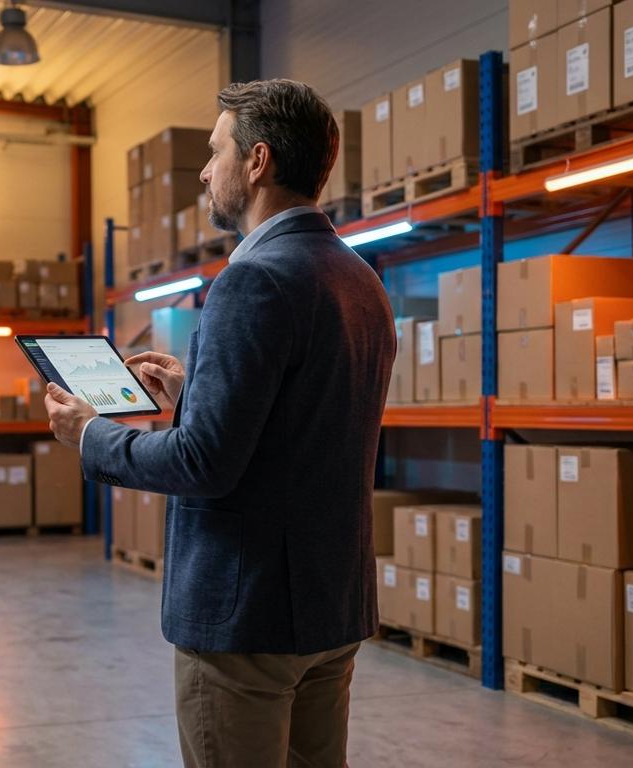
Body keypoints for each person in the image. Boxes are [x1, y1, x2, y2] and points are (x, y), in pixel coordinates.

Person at [44, 79, 395, 768]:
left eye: (215, 152)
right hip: (330, 606)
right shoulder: (358, 279)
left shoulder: (252, 279)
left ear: (257, 161)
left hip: (248, 620)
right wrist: (197, 389)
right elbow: (304, 416)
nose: (206, 171)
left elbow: (204, 464)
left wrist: (91, 434)